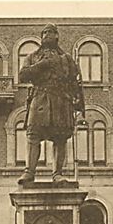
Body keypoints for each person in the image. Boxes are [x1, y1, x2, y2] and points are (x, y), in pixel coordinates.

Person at [17, 23, 85, 185]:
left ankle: (57, 174)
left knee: (60, 137)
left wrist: (79, 105)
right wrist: (42, 65)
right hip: (40, 97)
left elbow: (75, 82)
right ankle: (29, 172)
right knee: (33, 135)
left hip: (61, 100)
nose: (47, 35)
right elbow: (23, 75)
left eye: (51, 32)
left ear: (57, 36)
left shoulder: (66, 59)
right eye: (44, 33)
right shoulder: (32, 57)